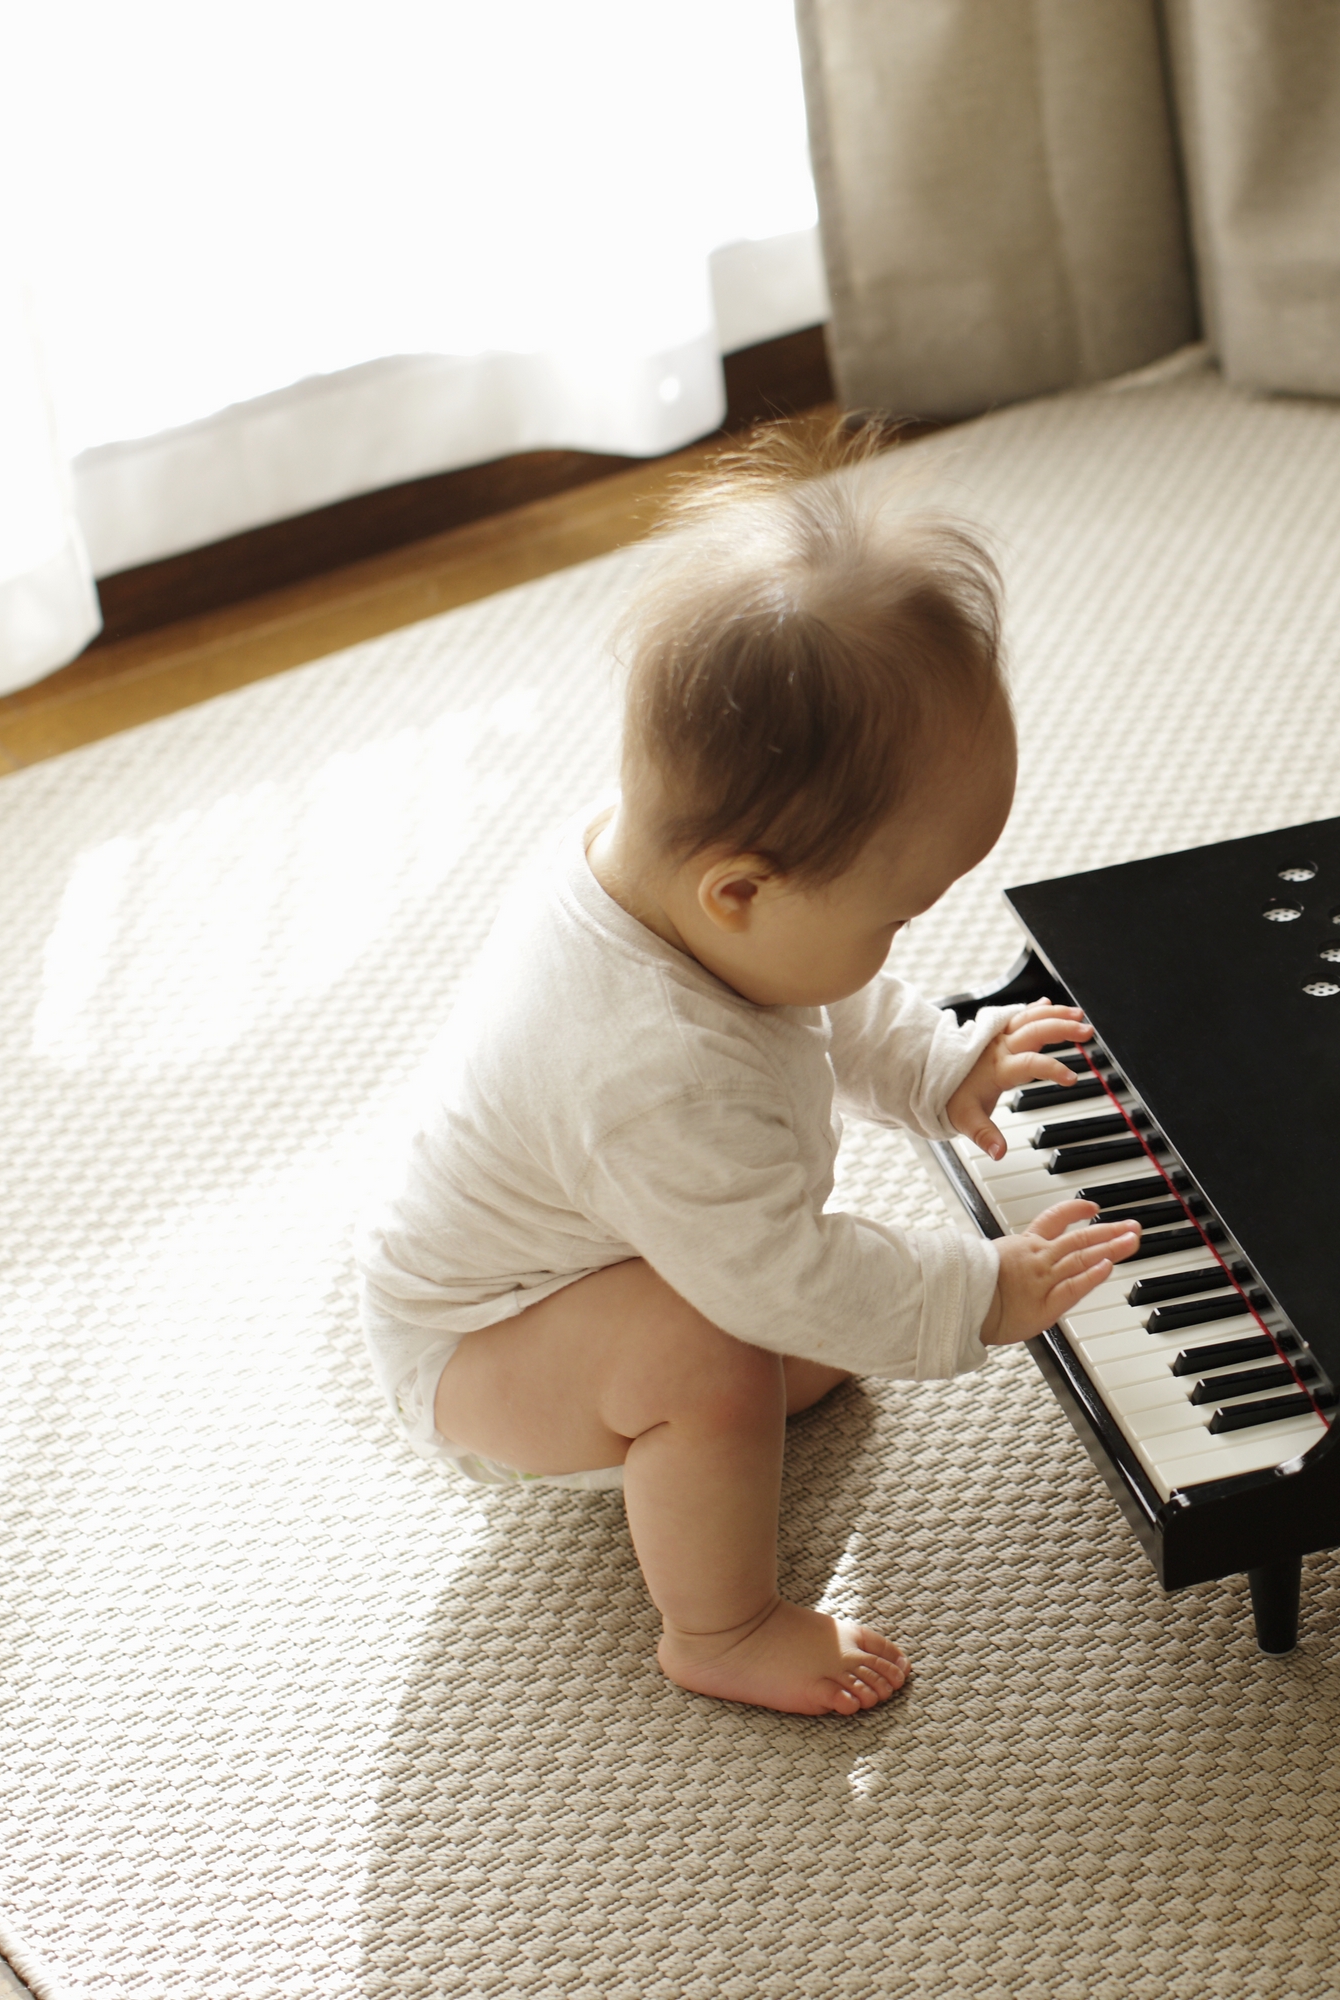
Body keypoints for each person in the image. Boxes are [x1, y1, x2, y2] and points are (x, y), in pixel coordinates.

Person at [352, 416, 1140, 1715]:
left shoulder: (679, 877)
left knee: (784, 1329)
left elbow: (818, 996)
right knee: (713, 1358)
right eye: (896, 917)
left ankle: (713, 1386)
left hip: (592, 1251)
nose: (900, 941)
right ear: (740, 893)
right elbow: (784, 1274)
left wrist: (935, 1065)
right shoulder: (651, 1068)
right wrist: (979, 1291)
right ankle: (717, 1628)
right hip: (475, 1346)